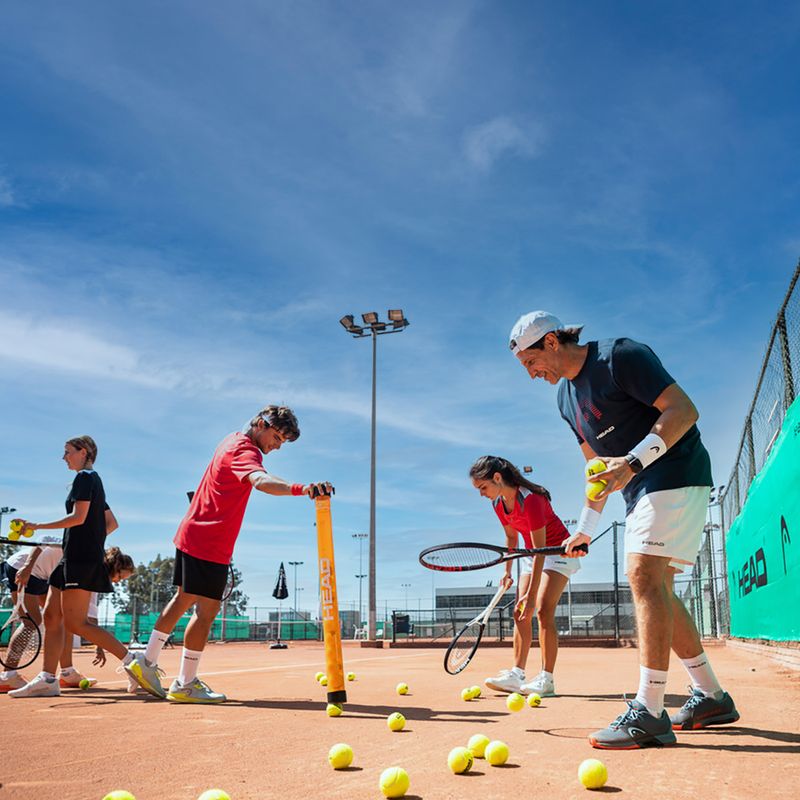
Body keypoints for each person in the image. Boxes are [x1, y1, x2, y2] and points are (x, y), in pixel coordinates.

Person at [508, 311, 739, 749]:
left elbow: (684, 410)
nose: (532, 373)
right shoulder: (564, 401)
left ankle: (649, 711)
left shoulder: (620, 357)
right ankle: (711, 696)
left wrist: (633, 461)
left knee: (643, 576)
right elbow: (596, 469)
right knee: (661, 589)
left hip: (675, 470)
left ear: (552, 342)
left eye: (531, 362)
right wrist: (584, 528)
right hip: (641, 492)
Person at [128, 405, 333, 704]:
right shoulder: (246, 450)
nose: (276, 446)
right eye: (276, 437)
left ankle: (145, 662)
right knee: (206, 611)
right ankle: (183, 682)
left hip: (195, 533)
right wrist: (303, 489)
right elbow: (261, 481)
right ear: (261, 424)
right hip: (208, 541)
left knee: (184, 598)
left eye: (281, 443)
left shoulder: (231, 439)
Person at [9, 437, 147, 698]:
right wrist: (91, 539)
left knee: (76, 623)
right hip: (70, 558)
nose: (64, 457)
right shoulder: (93, 480)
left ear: (83, 452)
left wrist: (36, 526)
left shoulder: (85, 478)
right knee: (51, 617)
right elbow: (111, 523)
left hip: (79, 560)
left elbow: (78, 517)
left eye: (67, 452)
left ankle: (133, 660)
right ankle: (48, 679)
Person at [470, 455, 578, 697]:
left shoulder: (532, 500)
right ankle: (517, 675)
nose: (481, 494)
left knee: (541, 608)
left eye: (483, 487)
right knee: (520, 612)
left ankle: (546, 679)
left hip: (556, 551)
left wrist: (530, 595)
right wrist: (507, 573)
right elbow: (511, 538)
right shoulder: (498, 504)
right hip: (532, 554)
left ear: (497, 478)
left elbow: (540, 551)